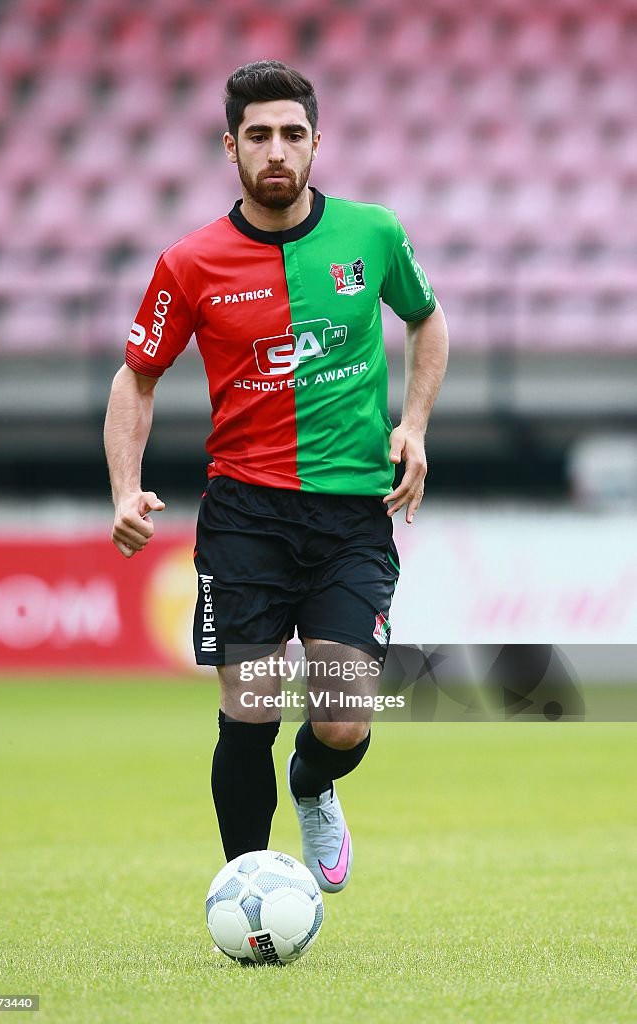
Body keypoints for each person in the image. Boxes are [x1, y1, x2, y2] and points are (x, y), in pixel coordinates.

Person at [104, 60, 449, 894]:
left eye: (292, 134)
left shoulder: (371, 234)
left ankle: (313, 785)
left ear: (315, 143)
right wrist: (125, 485)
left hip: (350, 513)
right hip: (245, 515)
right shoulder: (190, 264)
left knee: (339, 718)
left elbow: (426, 319)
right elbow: (136, 377)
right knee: (248, 708)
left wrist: (414, 425)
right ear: (230, 148)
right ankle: (248, 891)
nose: (276, 151)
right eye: (258, 135)